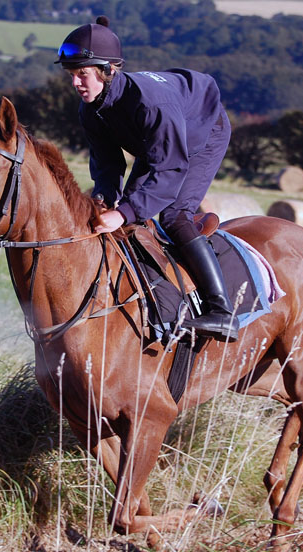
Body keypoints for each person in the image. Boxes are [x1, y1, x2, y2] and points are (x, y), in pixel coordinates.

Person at [55, 15, 239, 342]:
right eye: (72, 75)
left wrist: (123, 213)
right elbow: (106, 161)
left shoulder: (151, 104)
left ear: (109, 70)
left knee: (173, 214)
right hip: (154, 141)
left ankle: (221, 311)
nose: (75, 84)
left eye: (82, 74)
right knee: (124, 208)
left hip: (202, 132)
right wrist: (106, 198)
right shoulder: (90, 109)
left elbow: (169, 170)